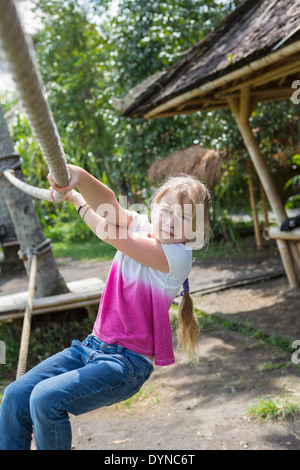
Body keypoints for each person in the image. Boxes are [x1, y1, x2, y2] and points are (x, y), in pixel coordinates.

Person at [0, 165, 211, 450]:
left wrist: (78, 193)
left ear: (196, 228)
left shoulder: (178, 256)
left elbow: (109, 233)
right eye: (166, 210)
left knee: (44, 400)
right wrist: (76, 184)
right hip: (92, 346)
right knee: (15, 396)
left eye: (185, 217)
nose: (172, 221)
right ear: (154, 208)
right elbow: (109, 208)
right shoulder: (140, 225)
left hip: (126, 364)